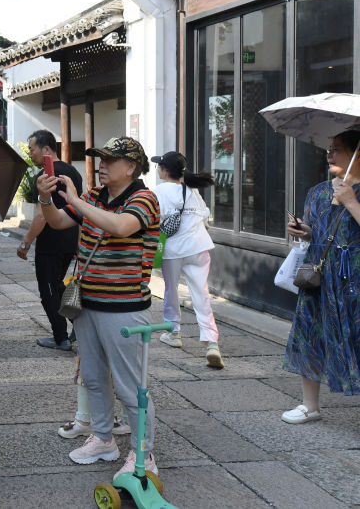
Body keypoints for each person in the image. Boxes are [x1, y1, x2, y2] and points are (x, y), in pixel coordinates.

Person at [36, 136, 161, 480]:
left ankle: (144, 454)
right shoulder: (93, 196)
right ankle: (103, 439)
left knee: (129, 386)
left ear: (131, 167)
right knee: (92, 377)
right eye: (100, 159)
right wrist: (45, 198)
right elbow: (58, 221)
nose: (101, 165)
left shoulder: (144, 199)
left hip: (125, 307)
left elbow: (120, 226)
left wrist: (76, 199)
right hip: (87, 303)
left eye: (109, 160)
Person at [282, 129, 360, 424]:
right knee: (309, 332)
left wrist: (351, 201)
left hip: (354, 279)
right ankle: (309, 405)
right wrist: (304, 231)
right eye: (329, 148)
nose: (329, 154)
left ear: (357, 155)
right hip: (320, 275)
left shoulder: (352, 193)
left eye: (337, 148)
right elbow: (319, 233)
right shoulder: (318, 192)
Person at [152, 151, 223, 368]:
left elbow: (154, 219)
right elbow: (204, 218)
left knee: (171, 290)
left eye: (159, 165)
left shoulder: (158, 192)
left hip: (173, 250)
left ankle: (173, 332)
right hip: (199, 247)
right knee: (201, 293)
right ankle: (211, 342)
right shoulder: (191, 190)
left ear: (164, 170)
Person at [16, 129, 82, 351]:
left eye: (32, 149)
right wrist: (78, 242)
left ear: (46, 149)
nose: (30, 154)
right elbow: (79, 209)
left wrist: (26, 242)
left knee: (48, 291)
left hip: (50, 243)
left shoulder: (44, 176)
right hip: (69, 240)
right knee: (58, 286)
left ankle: (61, 337)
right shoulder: (73, 172)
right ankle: (77, 324)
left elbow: (41, 215)